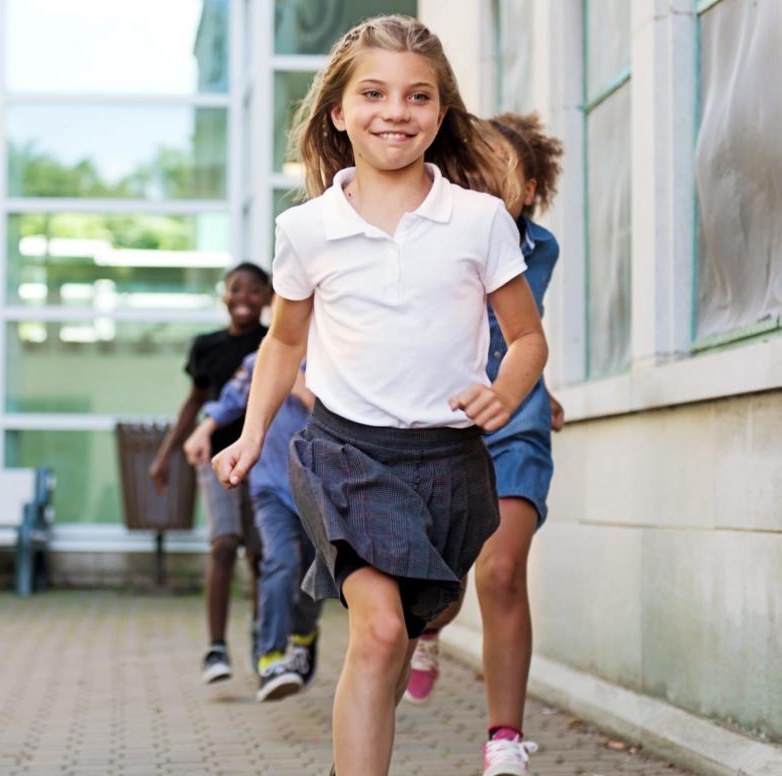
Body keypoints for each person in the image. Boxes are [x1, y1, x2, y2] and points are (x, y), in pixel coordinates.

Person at [211, 15, 547, 775]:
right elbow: (285, 343)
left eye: (417, 96)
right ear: (338, 110)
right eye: (373, 92)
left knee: (426, 615)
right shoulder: (307, 230)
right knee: (382, 632)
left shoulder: (480, 219)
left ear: (440, 114)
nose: (395, 111)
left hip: (451, 462)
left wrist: (505, 391)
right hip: (345, 454)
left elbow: (527, 338)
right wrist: (254, 433)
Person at [403, 111, 565, 776]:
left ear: (529, 188)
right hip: (446, 425)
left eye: (501, 166)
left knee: (501, 572)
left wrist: (534, 388)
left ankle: (504, 736)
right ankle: (432, 629)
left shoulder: (541, 248)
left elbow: (520, 332)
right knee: (443, 587)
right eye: (474, 164)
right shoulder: (446, 235)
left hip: (516, 426)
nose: (483, 176)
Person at [150, 262, 271, 684]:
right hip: (217, 457)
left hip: (263, 458)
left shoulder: (275, 341)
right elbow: (193, 401)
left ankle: (263, 638)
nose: (244, 297)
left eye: (255, 290)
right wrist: (164, 455)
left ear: (270, 297)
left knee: (260, 553)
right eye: (236, 289)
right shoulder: (207, 346)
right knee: (223, 544)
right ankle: (216, 648)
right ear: (223, 294)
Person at [184, 353, 323, 702]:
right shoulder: (260, 360)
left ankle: (304, 636)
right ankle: (272, 658)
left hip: (320, 491)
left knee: (315, 576)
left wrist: (301, 387)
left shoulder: (333, 355)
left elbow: (338, 416)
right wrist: (203, 429)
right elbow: (233, 399)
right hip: (270, 488)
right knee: (279, 562)